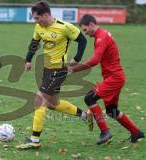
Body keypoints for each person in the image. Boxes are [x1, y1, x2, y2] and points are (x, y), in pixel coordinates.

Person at [16, 1, 91, 149]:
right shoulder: (38, 27)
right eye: (34, 19)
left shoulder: (65, 27)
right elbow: (34, 43)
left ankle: (34, 140)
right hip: (46, 70)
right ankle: (85, 115)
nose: (36, 21)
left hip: (59, 70)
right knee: (52, 104)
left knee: (39, 101)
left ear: (46, 14)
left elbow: (82, 40)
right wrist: (28, 60)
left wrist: (77, 58)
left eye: (38, 18)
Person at [68, 14, 145, 145]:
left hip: (115, 78)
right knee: (112, 111)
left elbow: (95, 60)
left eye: (85, 30)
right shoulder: (101, 35)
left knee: (89, 98)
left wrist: (74, 69)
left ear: (92, 24)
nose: (85, 33)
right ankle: (136, 132)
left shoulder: (101, 37)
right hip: (115, 77)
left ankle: (105, 132)